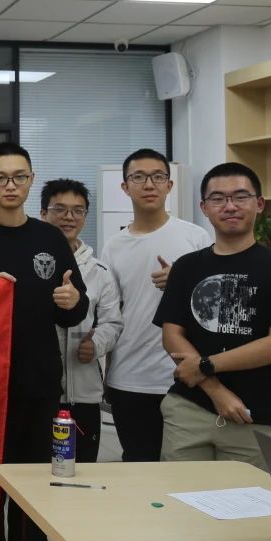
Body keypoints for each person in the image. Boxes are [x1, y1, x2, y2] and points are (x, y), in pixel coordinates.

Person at [0, 142, 87, 541]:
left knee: (33, 489)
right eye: (1, 178)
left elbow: (74, 309)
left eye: (19, 177)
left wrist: (72, 300)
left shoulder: (50, 238)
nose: (10, 185)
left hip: (38, 384)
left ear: (31, 181)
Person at [154, 162, 271, 468]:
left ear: (259, 204)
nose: (229, 206)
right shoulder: (187, 267)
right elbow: (171, 335)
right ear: (204, 208)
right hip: (189, 409)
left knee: (249, 498)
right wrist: (216, 390)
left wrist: (205, 365)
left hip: (255, 416)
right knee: (180, 495)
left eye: (241, 196)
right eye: (218, 198)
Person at [102, 148, 211, 463]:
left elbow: (213, 305)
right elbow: (110, 314)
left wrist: (182, 280)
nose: (149, 184)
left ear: (169, 185)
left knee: (186, 471)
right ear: (125, 187)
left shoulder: (195, 238)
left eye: (158, 177)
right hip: (129, 376)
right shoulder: (114, 246)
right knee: (138, 465)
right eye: (139, 177)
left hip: (185, 374)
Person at [39, 178, 122, 541]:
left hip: (85, 393)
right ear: (44, 213)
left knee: (82, 480)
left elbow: (113, 322)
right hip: (41, 392)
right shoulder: (36, 262)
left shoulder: (100, 271)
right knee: (37, 478)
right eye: (59, 209)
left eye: (77, 211)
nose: (68, 217)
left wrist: (97, 343)